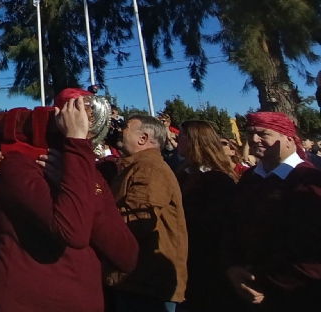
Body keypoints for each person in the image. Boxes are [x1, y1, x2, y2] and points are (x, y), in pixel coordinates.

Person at [0, 94, 138, 312]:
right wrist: (75, 143)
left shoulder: (89, 175)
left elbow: (127, 255)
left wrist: (77, 180)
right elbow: (73, 232)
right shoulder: (19, 167)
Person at [223, 111, 321, 311]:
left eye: (263, 134)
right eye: (250, 133)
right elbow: (231, 227)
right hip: (245, 291)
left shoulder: (307, 180)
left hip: (295, 296)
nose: (253, 139)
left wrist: (264, 281)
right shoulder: (250, 178)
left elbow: (309, 249)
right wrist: (232, 268)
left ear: (287, 139)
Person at [106, 114, 188, 312]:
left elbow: (138, 220)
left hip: (145, 284)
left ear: (143, 138)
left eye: (125, 127)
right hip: (136, 281)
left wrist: (96, 220)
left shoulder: (149, 168)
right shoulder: (135, 166)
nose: (118, 131)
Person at [175, 120, 239, 312]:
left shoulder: (218, 180)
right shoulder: (183, 174)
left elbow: (220, 226)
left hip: (209, 265)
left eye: (181, 136)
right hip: (187, 261)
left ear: (194, 140)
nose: (177, 141)